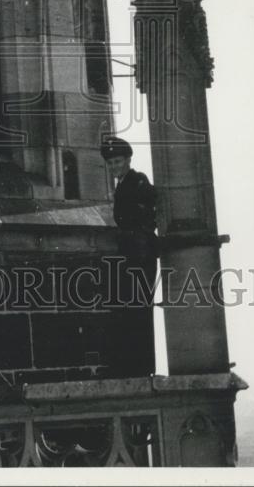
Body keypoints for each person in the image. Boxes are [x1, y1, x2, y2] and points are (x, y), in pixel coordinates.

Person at [101, 135, 157, 376]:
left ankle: (141, 366)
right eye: (111, 162)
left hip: (139, 255)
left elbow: (148, 215)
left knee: (138, 307)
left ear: (128, 160)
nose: (114, 166)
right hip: (129, 255)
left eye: (118, 161)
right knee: (127, 308)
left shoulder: (138, 181)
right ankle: (130, 365)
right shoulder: (123, 185)